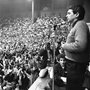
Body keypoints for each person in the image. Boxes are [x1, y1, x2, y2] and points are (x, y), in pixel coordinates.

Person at [61, 5, 90, 90]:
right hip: (74, 65)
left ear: (76, 14)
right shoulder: (76, 25)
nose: (66, 15)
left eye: (69, 13)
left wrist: (64, 46)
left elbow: (80, 46)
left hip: (76, 66)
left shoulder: (80, 24)